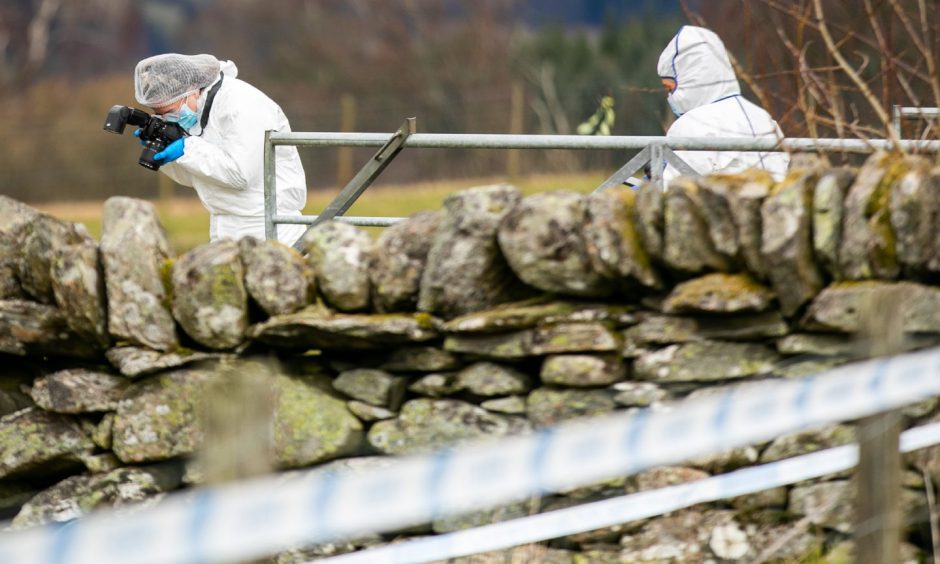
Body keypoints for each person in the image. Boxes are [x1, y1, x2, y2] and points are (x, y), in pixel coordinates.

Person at [133, 53, 307, 245]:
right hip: (224, 224)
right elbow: (196, 178)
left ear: (190, 91)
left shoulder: (242, 103)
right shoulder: (199, 109)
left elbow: (239, 175)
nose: (167, 119)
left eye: (169, 112)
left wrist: (187, 148)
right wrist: (166, 157)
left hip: (270, 227)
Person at [656, 25, 789, 184]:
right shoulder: (763, 118)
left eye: (670, 88)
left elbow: (674, 190)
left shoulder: (692, 125)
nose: (669, 97)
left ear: (689, 81)